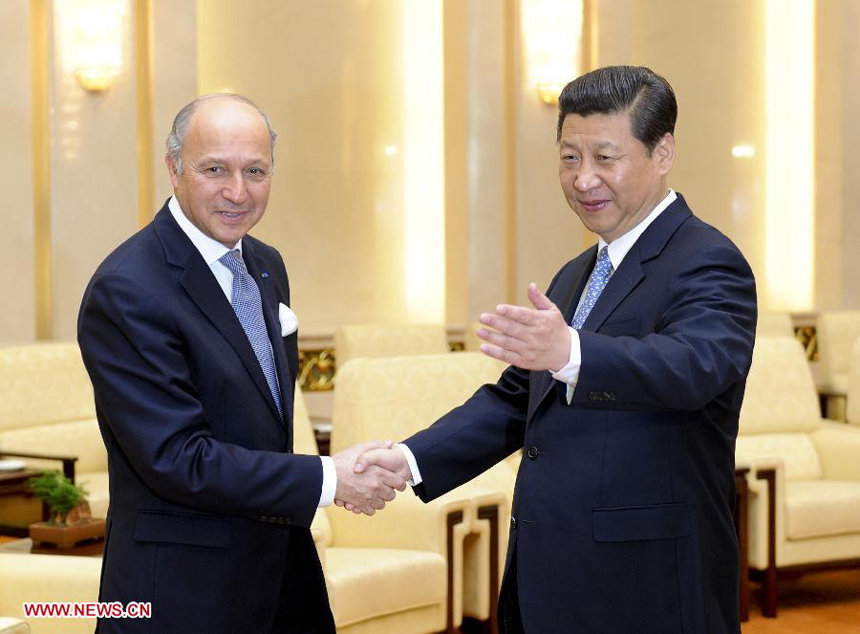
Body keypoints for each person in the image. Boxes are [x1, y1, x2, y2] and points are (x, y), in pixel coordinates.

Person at [352, 66, 757, 633]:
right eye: (569, 158)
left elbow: (694, 367)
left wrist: (571, 350)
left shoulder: (707, 259)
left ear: (662, 152)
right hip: (551, 579)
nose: (583, 179)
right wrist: (411, 460)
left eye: (605, 158)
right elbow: (518, 401)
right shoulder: (577, 273)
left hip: (648, 587)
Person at [77, 93, 405, 634]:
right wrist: (327, 478)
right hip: (184, 594)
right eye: (215, 170)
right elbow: (177, 458)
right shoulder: (128, 289)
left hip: (281, 579)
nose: (238, 192)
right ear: (174, 168)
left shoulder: (265, 264)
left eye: (256, 171)